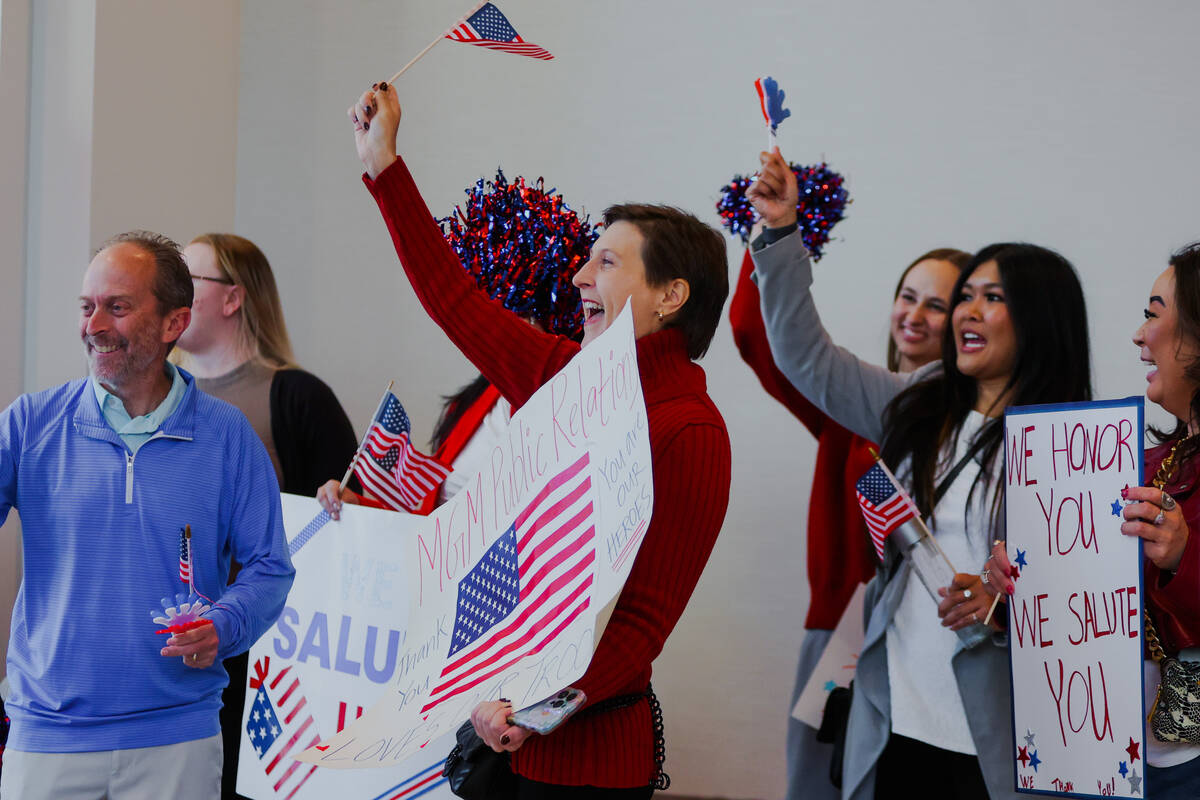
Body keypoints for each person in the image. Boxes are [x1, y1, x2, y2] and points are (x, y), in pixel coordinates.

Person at [350, 83, 732, 798]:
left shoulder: (692, 431)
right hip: (503, 747)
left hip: (585, 765)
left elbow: (641, 626)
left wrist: (537, 709)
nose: (581, 276)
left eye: (607, 263)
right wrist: (384, 165)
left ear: (671, 296)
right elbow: (456, 301)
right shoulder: (572, 379)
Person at [748, 147, 1091, 799]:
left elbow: (1092, 607)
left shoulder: (1074, 446)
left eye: (992, 298)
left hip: (997, 736)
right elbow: (805, 359)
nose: (966, 311)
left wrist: (1003, 610)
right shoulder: (915, 401)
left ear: (1042, 320)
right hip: (895, 713)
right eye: (966, 297)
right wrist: (782, 232)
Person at [0, 231, 295, 800]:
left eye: (118, 307)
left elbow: (269, 567)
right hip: (48, 738)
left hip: (177, 739)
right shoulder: (30, 425)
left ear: (173, 323)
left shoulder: (227, 435)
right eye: (87, 307)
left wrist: (225, 625)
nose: (94, 325)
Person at [728, 243, 967, 800]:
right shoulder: (846, 408)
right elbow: (751, 332)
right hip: (841, 636)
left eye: (935, 304)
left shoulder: (973, 433)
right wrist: (770, 234)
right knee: (816, 785)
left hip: (932, 645)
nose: (914, 314)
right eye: (907, 297)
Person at [990, 241, 1200, 792]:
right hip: (1119, 761)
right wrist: (1021, 586)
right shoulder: (1146, 463)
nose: (1137, 334)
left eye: (1154, 314)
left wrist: (1185, 557)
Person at [176, 232, 358, 799]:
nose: (170, 292)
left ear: (232, 298)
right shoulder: (146, 399)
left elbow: (352, 519)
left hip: (260, 661)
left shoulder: (298, 398)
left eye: (188, 279)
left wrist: (345, 506)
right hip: (164, 651)